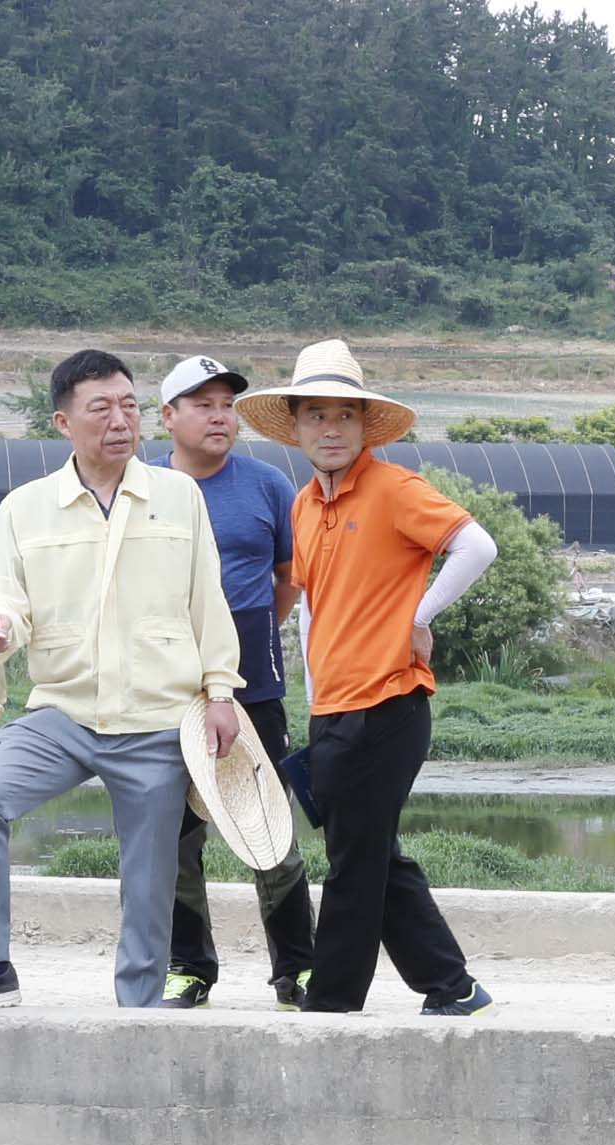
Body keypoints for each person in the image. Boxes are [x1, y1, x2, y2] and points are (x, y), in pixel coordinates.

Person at [0, 348, 244, 1019]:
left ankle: (139, 1011)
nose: (119, 420)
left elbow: (206, 598)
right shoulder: (26, 508)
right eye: (101, 408)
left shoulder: (177, 496)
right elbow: (0, 594)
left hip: (156, 718)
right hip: (62, 714)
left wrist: (219, 692)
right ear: (63, 421)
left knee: (148, 881)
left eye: (128, 405)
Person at [237, 339, 496, 1017]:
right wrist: (313, 701)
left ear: (362, 426)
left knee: (353, 864)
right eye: (315, 415)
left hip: (390, 703)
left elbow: (477, 546)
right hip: (334, 710)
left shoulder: (394, 489)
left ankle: (331, 1003)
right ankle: (453, 986)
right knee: (374, 851)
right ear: (294, 427)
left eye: (344, 416)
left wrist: (420, 614)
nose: (330, 428)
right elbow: (313, 607)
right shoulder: (301, 505)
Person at [152, 353, 313, 1010]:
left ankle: (296, 970)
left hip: (253, 682)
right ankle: (188, 968)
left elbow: (288, 578)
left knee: (267, 826)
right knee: (173, 836)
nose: (220, 417)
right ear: (168, 417)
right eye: (202, 405)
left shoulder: (268, 486)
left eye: (227, 405)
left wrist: (247, 647)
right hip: (162, 682)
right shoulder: (142, 486)